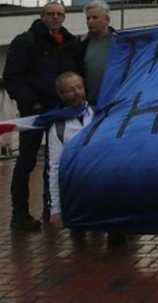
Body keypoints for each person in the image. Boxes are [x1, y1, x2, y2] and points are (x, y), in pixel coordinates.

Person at [2, 2, 81, 231]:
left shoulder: (71, 43)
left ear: (64, 18)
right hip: (35, 113)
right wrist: (32, 103)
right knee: (26, 161)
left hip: (61, 111)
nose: (55, 18)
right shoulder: (25, 42)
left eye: (59, 14)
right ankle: (20, 213)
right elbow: (13, 77)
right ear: (42, 16)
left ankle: (51, 207)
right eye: (50, 14)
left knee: (55, 162)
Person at [44, 72, 93, 230]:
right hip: (76, 191)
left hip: (102, 186)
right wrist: (56, 210)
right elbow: (55, 168)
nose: (78, 92)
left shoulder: (98, 114)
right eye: (71, 89)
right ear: (61, 94)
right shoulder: (57, 128)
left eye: (80, 87)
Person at [80, 0, 115, 106]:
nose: (90, 21)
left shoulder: (120, 42)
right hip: (90, 105)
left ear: (107, 19)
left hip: (115, 103)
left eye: (95, 18)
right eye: (88, 18)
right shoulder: (81, 45)